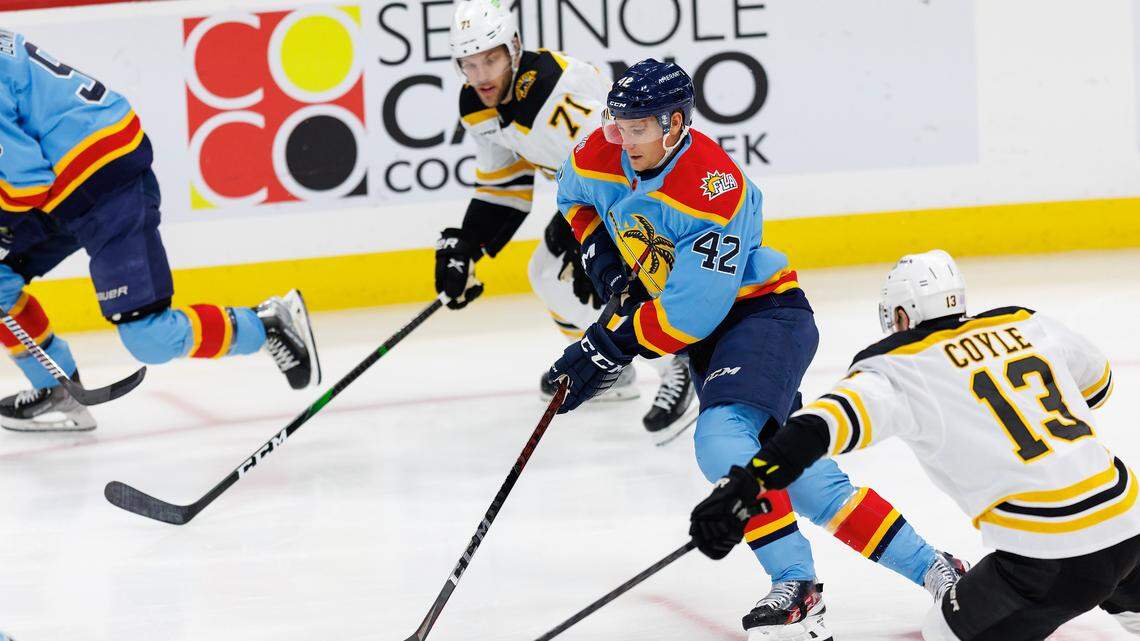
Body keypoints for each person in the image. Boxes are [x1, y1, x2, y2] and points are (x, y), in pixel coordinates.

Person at [550, 59, 964, 641]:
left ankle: (797, 587)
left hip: (761, 316)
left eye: (637, 128)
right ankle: (938, 568)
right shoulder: (604, 147)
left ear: (674, 124)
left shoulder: (714, 188)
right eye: (617, 124)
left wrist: (606, 346)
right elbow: (572, 193)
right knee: (807, 482)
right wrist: (604, 259)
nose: (622, 138)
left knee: (722, 440)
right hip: (713, 337)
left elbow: (691, 314)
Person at [689, 248, 1140, 641]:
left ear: (901, 317)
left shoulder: (899, 364)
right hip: (1128, 520)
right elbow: (1097, 385)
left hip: (1047, 554)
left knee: (942, 631)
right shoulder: (1025, 321)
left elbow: (815, 429)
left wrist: (748, 483)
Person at [0, 29, 320, 432]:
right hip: (68, 181)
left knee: (149, 338)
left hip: (106, 183)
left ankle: (267, 324)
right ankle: (56, 389)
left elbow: (24, 182)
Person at [436, 0, 696, 442]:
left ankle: (680, 362)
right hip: (592, 197)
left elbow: (624, 154)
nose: (481, 76)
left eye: (490, 60)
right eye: (469, 63)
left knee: (627, 283)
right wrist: (467, 246)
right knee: (546, 272)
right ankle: (610, 367)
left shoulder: (551, 93)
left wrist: (595, 232)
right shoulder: (478, 105)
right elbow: (504, 186)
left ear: (513, 48)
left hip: (640, 195)